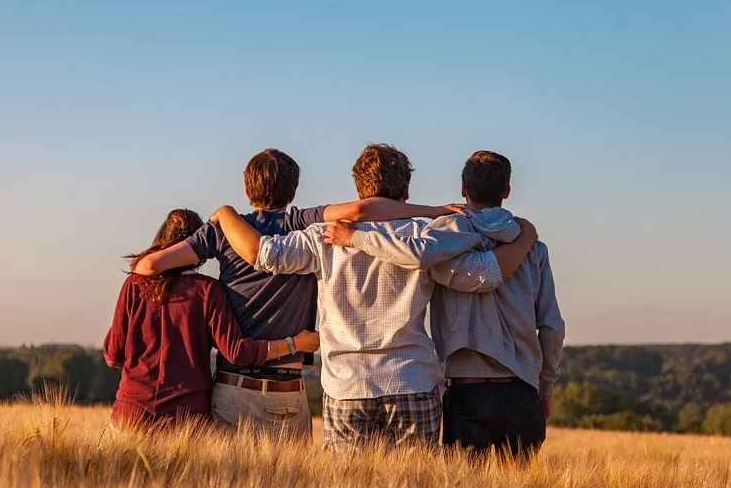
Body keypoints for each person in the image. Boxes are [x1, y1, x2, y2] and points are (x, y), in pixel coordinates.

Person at [209, 144, 538, 449]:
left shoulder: (322, 236)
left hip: (347, 385)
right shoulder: (426, 236)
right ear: (406, 190)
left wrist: (226, 214)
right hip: (412, 380)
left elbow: (264, 254)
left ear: (358, 189)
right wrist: (525, 237)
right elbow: (482, 276)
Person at [132, 148, 464, 437]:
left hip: (236, 386)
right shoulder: (302, 223)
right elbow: (362, 211)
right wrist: (433, 211)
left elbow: (148, 267)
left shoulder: (223, 230)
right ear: (294, 190)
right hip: (292, 388)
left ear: (247, 189)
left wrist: (221, 218)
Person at [325, 150, 564, 459]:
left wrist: (356, 238)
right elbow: (552, 327)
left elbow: (417, 255)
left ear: (464, 190)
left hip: (467, 392)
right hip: (522, 391)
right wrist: (546, 386)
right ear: (506, 191)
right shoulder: (533, 248)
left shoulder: (443, 239)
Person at [103, 209, 319, 429]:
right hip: (186, 418)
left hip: (131, 413)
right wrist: (295, 344)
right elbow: (237, 352)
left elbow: (113, 355)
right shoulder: (207, 291)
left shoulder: (134, 285)